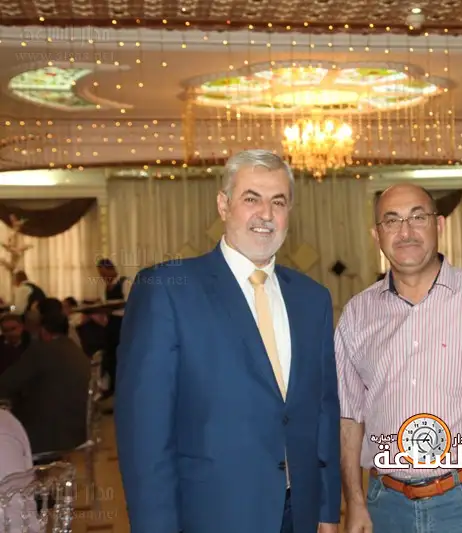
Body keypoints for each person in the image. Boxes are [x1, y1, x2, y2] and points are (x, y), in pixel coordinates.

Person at [115, 149, 340, 533]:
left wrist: (327, 510)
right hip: (210, 517)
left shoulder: (312, 298)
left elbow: (323, 411)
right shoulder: (167, 290)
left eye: (278, 202)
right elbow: (145, 435)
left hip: (298, 515)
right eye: (252, 198)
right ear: (223, 205)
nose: (266, 214)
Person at [336, 183, 462, 533]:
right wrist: (354, 502)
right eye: (392, 221)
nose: (406, 232)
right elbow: (348, 419)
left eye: (418, 217)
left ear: (439, 224)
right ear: (376, 234)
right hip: (387, 507)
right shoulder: (357, 315)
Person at [0, 308, 90, 455]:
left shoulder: (42, 351)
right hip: (77, 430)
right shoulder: (75, 350)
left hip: (47, 432)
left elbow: (7, 383)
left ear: (43, 331)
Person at [95, 258, 131, 396]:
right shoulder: (106, 287)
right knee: (109, 356)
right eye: (101, 275)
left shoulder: (125, 283)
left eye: (105, 274)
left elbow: (130, 304)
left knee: (120, 356)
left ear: (112, 270)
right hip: (110, 324)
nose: (104, 278)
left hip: (122, 323)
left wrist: (113, 308)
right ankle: (110, 387)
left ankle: (121, 388)